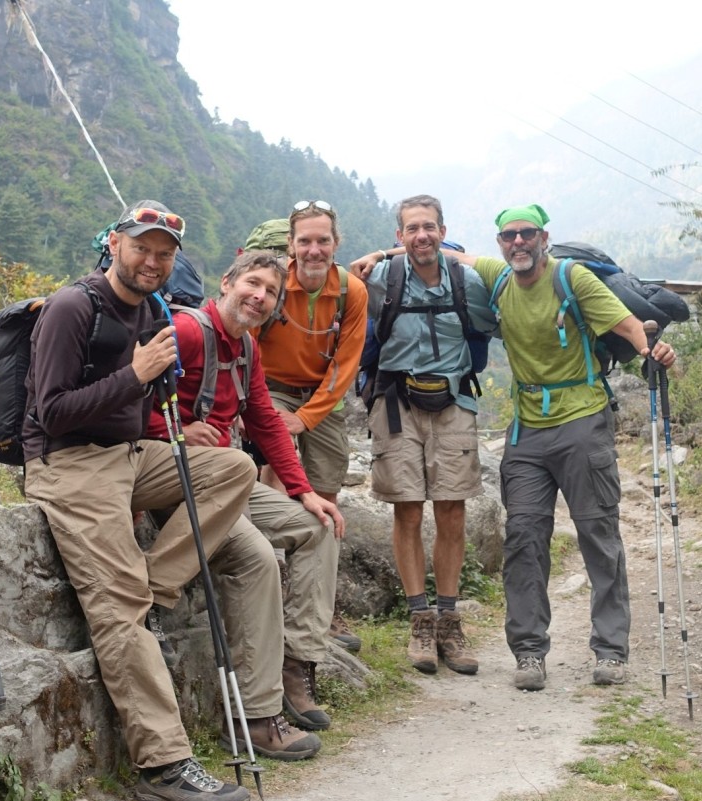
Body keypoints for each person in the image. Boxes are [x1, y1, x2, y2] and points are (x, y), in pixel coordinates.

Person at [355, 204, 676, 692]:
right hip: (526, 429)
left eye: (527, 234)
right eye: (510, 236)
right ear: (500, 243)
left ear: (543, 236)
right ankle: (529, 653)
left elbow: (627, 323)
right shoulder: (498, 275)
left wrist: (650, 349)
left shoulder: (574, 279)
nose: (519, 243)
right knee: (523, 541)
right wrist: (382, 251)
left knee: (598, 535)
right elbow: (434, 248)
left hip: (583, 420)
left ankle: (610, 650)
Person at [22, 199, 258, 801]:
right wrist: (135, 374)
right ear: (114, 244)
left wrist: (151, 382)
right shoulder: (74, 307)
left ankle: (155, 582)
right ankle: (163, 763)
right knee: (118, 611)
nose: (152, 260)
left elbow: (145, 398)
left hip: (128, 457)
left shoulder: (152, 310)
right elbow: (51, 411)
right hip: (68, 465)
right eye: (141, 247)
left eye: (164, 253)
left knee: (235, 468)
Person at [146, 250, 345, 747]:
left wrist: (302, 491)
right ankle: (257, 717)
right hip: (172, 477)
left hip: (226, 479)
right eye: (252, 284)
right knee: (256, 559)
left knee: (318, 526)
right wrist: (173, 434)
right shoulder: (189, 332)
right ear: (227, 282)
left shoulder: (246, 350)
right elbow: (128, 398)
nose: (259, 297)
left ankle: (298, 663)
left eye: (271, 292)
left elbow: (265, 421)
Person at [358, 195, 497, 676]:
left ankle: (449, 621)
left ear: (443, 230)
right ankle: (420, 621)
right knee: (408, 508)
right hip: (396, 403)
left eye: (430, 227)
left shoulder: (468, 281)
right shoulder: (380, 279)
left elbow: (501, 316)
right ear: (399, 236)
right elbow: (341, 295)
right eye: (412, 228)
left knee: (453, 508)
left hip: (455, 400)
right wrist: (378, 258)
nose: (422, 236)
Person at [254, 200, 369, 654]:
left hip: (320, 396)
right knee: (274, 481)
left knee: (326, 492)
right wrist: (272, 415)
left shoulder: (351, 292)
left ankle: (321, 606)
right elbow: (248, 346)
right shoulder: (274, 286)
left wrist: (305, 418)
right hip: (271, 389)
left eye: (323, 240)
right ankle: (274, 595)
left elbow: (345, 365)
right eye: (305, 241)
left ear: (336, 244)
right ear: (291, 245)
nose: (314, 249)